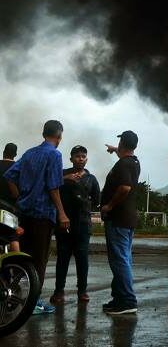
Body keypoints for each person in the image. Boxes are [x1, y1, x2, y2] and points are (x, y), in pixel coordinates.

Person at [4, 120, 69, 315]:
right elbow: (53, 187)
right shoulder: (55, 155)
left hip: (24, 213)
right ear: (59, 136)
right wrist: (62, 213)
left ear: (43, 133)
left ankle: (13, 297)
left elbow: (9, 175)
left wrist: (19, 198)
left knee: (22, 258)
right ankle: (33, 303)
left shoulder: (29, 153)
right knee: (39, 261)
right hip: (42, 215)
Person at [50, 145, 100, 304]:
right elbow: (51, 186)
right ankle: (59, 292)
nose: (80, 159)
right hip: (64, 224)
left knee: (82, 259)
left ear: (87, 159)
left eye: (83, 156)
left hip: (83, 225)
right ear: (71, 158)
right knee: (62, 258)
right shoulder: (62, 174)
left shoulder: (91, 179)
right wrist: (66, 179)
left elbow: (97, 200)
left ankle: (82, 291)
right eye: (77, 156)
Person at [100, 131, 141, 315]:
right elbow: (125, 152)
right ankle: (119, 298)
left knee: (120, 260)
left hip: (118, 219)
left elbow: (125, 188)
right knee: (122, 259)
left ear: (123, 142)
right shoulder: (133, 161)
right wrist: (115, 149)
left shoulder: (123, 164)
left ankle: (127, 300)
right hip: (126, 219)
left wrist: (109, 205)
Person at [0, 143, 21, 252]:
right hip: (12, 208)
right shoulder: (18, 167)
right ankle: (17, 263)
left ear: (4, 152)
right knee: (13, 236)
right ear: (15, 154)